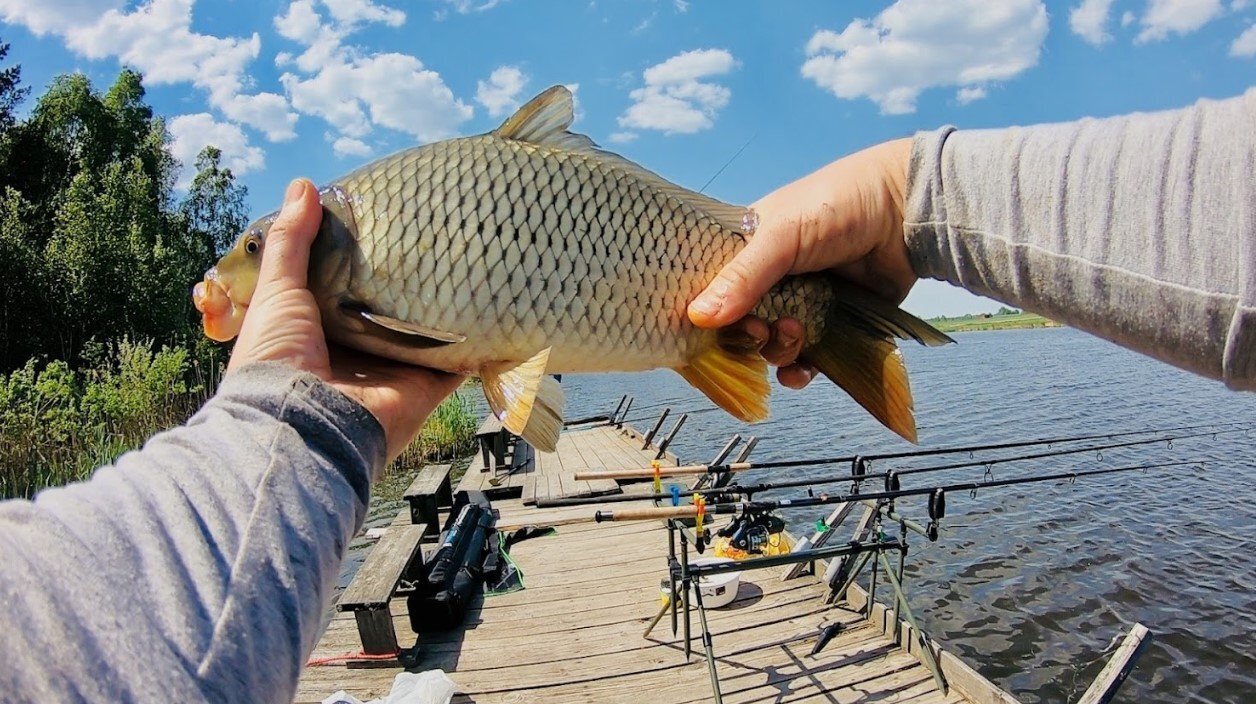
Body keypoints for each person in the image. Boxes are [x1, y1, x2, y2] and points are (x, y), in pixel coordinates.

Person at [1, 89, 1251, 703]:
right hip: (579, 318)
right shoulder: (375, 236)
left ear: (301, 245)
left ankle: (846, 325)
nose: (231, 277)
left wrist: (901, 208)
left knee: (736, 337)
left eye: (245, 256)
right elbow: (507, 384)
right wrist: (909, 200)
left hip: (655, 295)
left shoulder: (366, 233)